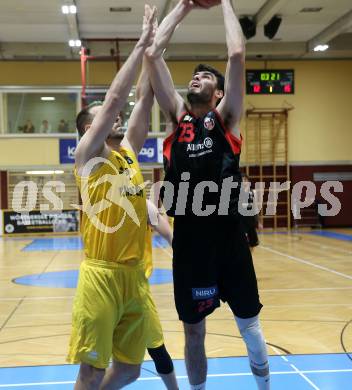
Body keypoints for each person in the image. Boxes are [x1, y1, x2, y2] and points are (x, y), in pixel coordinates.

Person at [145, 1, 270, 389]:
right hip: (191, 246)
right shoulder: (177, 119)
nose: (197, 76)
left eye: (205, 76)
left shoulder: (226, 119)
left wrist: (226, 2)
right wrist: (182, 7)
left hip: (229, 240)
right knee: (194, 333)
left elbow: (236, 53)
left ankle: (265, 385)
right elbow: (152, 54)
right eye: (195, 74)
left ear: (218, 94)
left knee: (249, 327)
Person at [67, 5, 157, 389]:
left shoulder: (128, 155)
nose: (118, 117)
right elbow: (119, 97)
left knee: (130, 369)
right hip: (101, 275)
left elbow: (143, 97)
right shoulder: (87, 156)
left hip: (135, 277)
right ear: (90, 128)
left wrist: (155, 49)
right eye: (107, 116)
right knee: (90, 370)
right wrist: (139, 45)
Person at [240, 173, 261, 252]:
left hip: (251, 220)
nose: (244, 182)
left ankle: (249, 258)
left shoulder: (253, 192)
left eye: (245, 180)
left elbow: (255, 208)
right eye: (242, 180)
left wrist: (258, 222)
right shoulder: (236, 192)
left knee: (253, 243)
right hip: (241, 220)